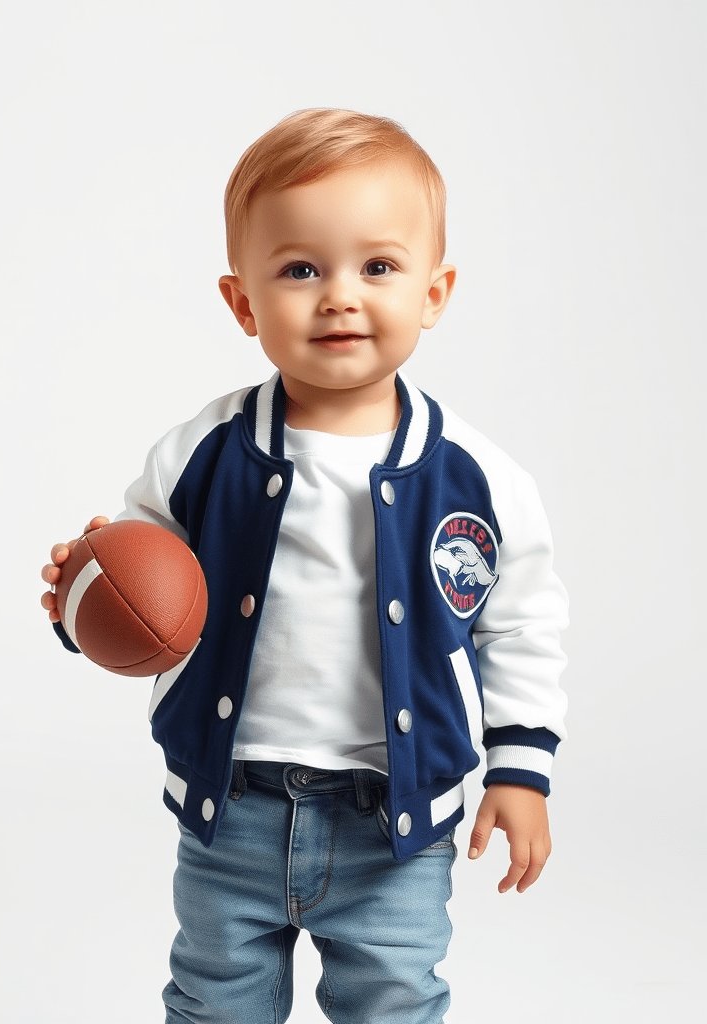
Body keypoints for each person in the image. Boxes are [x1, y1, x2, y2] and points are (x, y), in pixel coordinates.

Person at [41, 108, 568, 1024]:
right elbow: (137, 583)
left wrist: (518, 770)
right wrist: (80, 596)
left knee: (396, 1002)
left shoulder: (477, 478)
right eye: (298, 269)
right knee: (215, 1000)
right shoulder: (202, 451)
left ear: (435, 292)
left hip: (395, 823)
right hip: (232, 805)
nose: (339, 295)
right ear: (242, 302)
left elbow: (520, 623)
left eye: (378, 267)